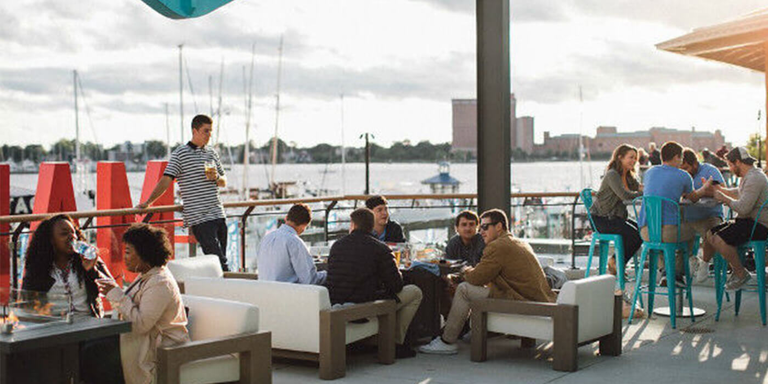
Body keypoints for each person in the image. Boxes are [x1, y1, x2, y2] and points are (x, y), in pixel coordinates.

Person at [418, 209, 555, 355]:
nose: (481, 231)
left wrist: (465, 270)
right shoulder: (517, 242)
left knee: (464, 289)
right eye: (481, 227)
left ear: (499, 227)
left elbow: (476, 278)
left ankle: (447, 340)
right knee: (464, 287)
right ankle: (461, 330)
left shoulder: (497, 246)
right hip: (535, 297)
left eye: (484, 227)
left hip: (521, 300)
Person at [98, 224, 190, 384]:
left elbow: (141, 325)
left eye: (128, 252)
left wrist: (116, 295)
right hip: (146, 340)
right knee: (92, 349)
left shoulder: (160, 283)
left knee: (94, 353)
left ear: (144, 254)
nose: (124, 257)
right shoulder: (148, 275)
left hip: (160, 348)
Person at [324, 208, 423, 358]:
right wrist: (397, 271)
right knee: (415, 292)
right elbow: (396, 285)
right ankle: (395, 343)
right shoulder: (380, 248)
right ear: (371, 226)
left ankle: (377, 338)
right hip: (364, 304)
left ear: (353, 225)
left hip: (337, 300)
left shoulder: (337, 246)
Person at [136, 114, 230, 271]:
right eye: (206, 131)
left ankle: (224, 290)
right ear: (195, 130)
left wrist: (217, 177)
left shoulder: (211, 153)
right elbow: (166, 180)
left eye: (210, 131)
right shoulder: (180, 153)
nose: (209, 135)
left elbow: (224, 181)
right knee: (220, 263)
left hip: (219, 214)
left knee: (221, 260)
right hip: (200, 217)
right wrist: (148, 202)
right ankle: (229, 292)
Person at [692, 147, 768, 290]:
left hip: (759, 225)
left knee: (719, 238)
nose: (730, 169)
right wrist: (717, 190)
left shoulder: (754, 178)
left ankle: (740, 273)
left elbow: (743, 208)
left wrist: (723, 198)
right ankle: (705, 266)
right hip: (749, 221)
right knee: (710, 234)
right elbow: (738, 193)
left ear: (737, 162)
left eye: (730, 165)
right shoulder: (751, 175)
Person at [639, 141, 709, 286]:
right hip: (670, 233)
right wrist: (705, 188)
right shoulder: (684, 176)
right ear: (677, 156)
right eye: (681, 157)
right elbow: (694, 198)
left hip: (646, 231)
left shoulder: (649, 172)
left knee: (657, 244)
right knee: (691, 231)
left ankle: (665, 271)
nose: (682, 161)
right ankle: (676, 273)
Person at [22, 214, 113, 317]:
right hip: (55, 327)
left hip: (88, 324)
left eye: (73, 232)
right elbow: (27, 303)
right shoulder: (39, 267)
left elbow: (112, 290)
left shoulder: (87, 259)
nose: (72, 237)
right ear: (51, 240)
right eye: (64, 234)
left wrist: (91, 270)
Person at [590, 144, 643, 278]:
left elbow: (639, 190)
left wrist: (645, 190)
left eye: (635, 158)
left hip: (615, 218)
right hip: (601, 219)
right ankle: (615, 262)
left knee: (642, 232)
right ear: (620, 158)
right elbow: (624, 195)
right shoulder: (612, 174)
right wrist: (639, 193)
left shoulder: (629, 176)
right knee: (634, 235)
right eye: (630, 157)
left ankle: (616, 262)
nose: (634, 161)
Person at [679, 148, 725, 282]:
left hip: (710, 215)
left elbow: (722, 191)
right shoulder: (680, 175)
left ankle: (704, 263)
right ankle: (691, 259)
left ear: (694, 164)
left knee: (713, 232)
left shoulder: (710, 170)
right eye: (682, 169)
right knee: (672, 231)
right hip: (688, 218)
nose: (685, 171)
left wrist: (702, 192)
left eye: (686, 167)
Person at [256, 203, 326, 285]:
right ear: (304, 225)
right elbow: (310, 280)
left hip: (265, 292)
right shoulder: (295, 242)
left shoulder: (266, 239)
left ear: (286, 218)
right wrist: (327, 274)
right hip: (287, 294)